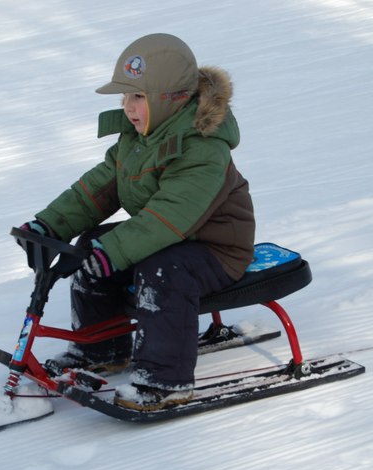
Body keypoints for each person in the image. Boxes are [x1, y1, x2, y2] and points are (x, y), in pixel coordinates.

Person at [18, 33, 255, 411]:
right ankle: (100, 348)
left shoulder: (203, 148)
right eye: (125, 97)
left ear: (172, 98)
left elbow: (168, 216)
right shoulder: (140, 137)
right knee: (93, 243)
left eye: (138, 97)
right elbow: (97, 190)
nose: (128, 107)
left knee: (162, 270)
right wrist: (49, 226)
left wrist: (113, 252)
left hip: (217, 248)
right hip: (171, 238)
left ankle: (164, 380)